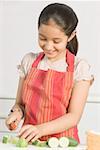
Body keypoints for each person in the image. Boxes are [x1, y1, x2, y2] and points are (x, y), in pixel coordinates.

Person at [5, 3, 94, 143]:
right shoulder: (29, 61)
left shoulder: (79, 68)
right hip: (30, 143)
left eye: (56, 41)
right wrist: (15, 114)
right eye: (43, 38)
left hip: (63, 143)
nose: (48, 46)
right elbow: (20, 104)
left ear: (71, 36)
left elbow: (73, 116)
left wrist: (40, 129)